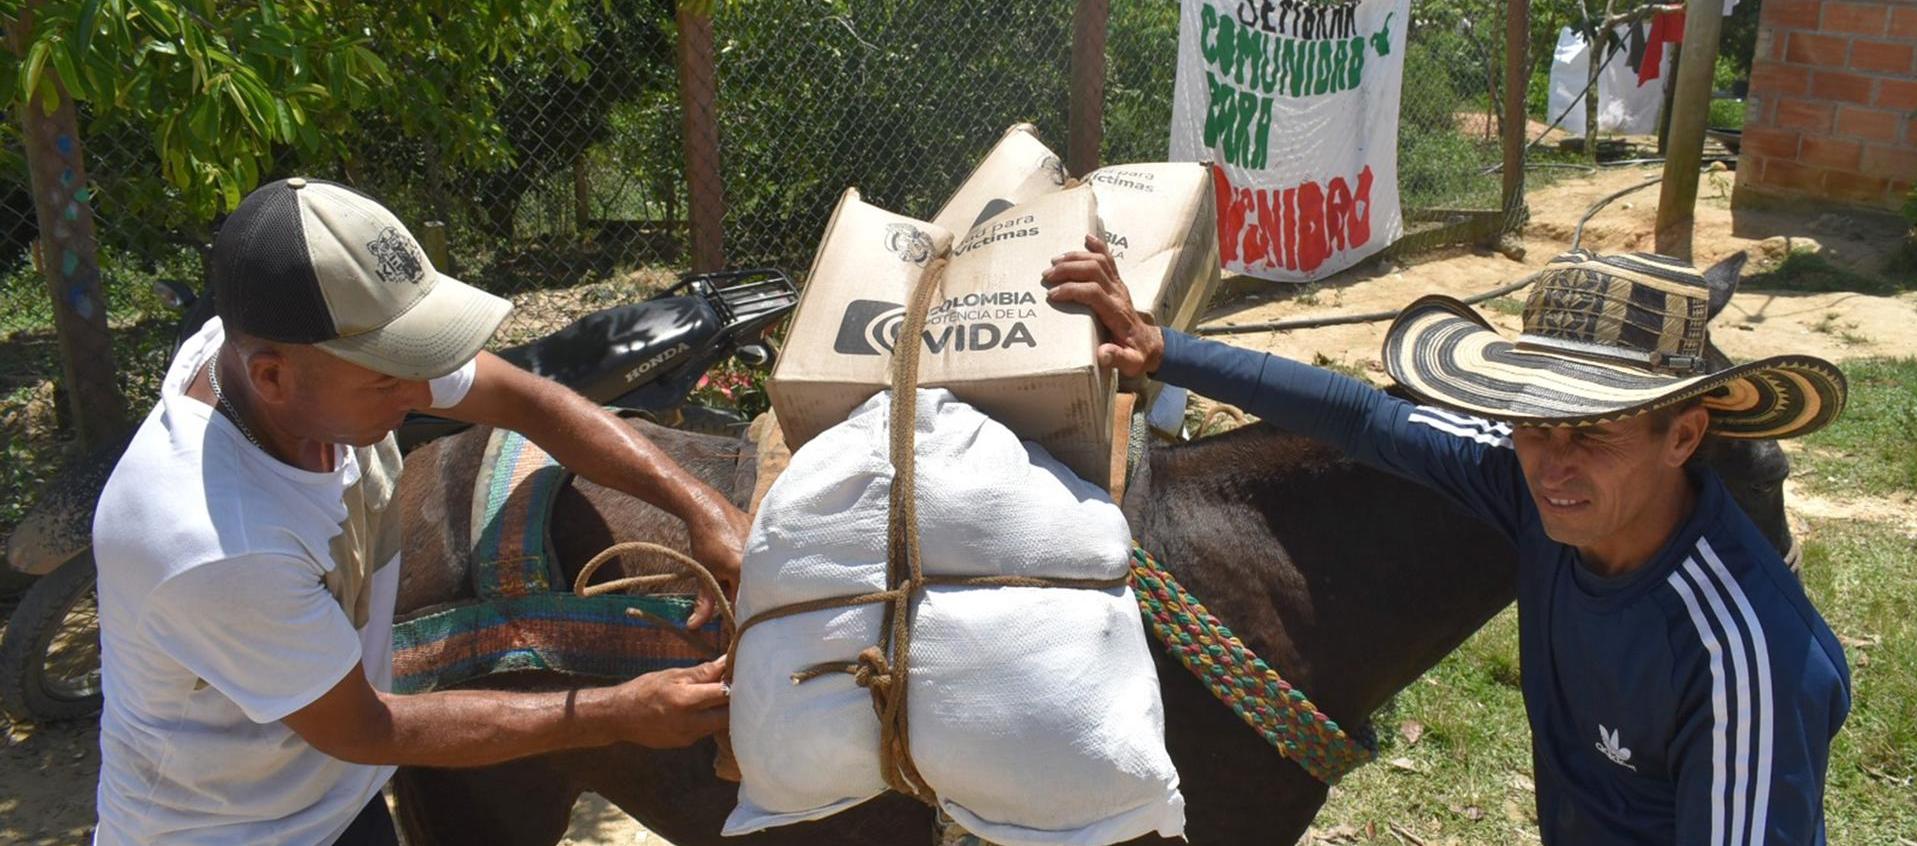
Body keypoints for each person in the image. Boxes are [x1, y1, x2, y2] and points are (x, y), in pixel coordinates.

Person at [1045, 239, 1853, 844]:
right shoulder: (1530, 494)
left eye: (1594, 432)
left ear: (1682, 436)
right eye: (1533, 422)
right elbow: (1365, 419)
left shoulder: (1743, 660)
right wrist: (1164, 349)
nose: (1554, 464)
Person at [92, 178, 752, 845]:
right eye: (389, 375)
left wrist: (699, 504)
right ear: (270, 376)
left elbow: (530, 400)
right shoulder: (215, 544)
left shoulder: (283, 357)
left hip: (332, 799)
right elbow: (368, 728)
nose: (425, 388)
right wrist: (614, 712)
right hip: (238, 830)